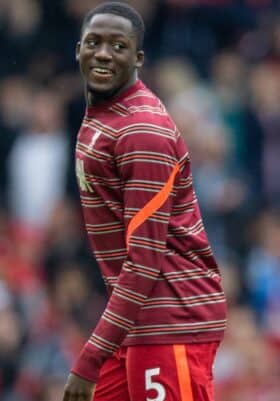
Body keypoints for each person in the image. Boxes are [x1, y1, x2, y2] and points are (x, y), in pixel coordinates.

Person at [63, 3, 227, 401]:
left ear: (137, 59)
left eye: (118, 45)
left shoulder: (141, 130)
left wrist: (89, 357)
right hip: (138, 319)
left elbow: (145, 260)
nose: (103, 53)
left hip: (170, 319)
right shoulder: (103, 116)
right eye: (94, 42)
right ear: (77, 49)